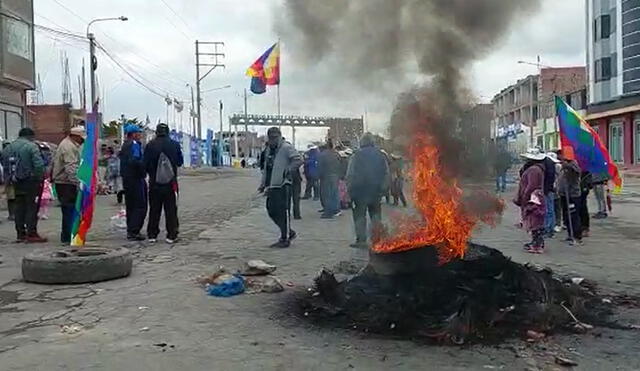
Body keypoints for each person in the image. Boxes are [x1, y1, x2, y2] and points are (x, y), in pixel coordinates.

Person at [258, 127, 302, 248]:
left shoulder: (286, 147)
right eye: (270, 137)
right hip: (272, 185)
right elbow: (266, 168)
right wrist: (263, 184)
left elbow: (298, 160)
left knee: (283, 211)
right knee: (271, 210)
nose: (272, 140)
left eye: (275, 137)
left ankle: (284, 238)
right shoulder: (268, 150)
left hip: (283, 184)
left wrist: (288, 170)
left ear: (279, 136)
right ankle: (288, 231)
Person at [2, 128, 47, 242]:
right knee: (32, 206)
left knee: (19, 207)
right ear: (30, 136)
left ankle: (20, 233)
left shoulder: (8, 148)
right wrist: (40, 177)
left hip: (15, 181)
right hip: (30, 181)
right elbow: (38, 165)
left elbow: (4, 164)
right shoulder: (32, 146)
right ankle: (31, 233)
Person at [346, 133, 390, 248]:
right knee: (375, 215)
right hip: (376, 190)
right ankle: (378, 239)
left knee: (360, 215)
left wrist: (349, 190)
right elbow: (386, 173)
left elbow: (350, 174)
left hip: (359, 190)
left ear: (362, 142)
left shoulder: (356, 155)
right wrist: (383, 188)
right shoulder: (381, 155)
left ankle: (361, 240)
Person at [144, 123, 184, 244]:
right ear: (167, 132)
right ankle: (171, 234)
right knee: (171, 209)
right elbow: (179, 162)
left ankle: (152, 234)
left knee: (154, 209)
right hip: (171, 183)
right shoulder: (174, 145)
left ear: (156, 132)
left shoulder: (150, 145)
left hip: (154, 183)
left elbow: (144, 164)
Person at [52, 126, 85, 244]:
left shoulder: (69, 145)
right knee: (69, 209)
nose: (82, 141)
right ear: (75, 136)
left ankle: (69, 235)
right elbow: (70, 168)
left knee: (70, 210)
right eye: (81, 139)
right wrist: (79, 182)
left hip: (65, 182)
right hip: (65, 183)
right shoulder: (68, 147)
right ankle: (68, 237)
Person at [513, 149, 546, 254]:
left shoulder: (533, 170)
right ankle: (536, 243)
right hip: (536, 197)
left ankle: (537, 245)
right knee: (536, 221)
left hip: (533, 199)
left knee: (534, 222)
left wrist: (524, 198)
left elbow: (531, 186)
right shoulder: (537, 169)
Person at [120, 123, 147, 241]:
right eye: (139, 133)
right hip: (136, 178)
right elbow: (135, 161)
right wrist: (144, 167)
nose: (140, 135)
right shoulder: (134, 145)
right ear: (134, 134)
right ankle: (134, 231)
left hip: (126, 178)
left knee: (130, 205)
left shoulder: (124, 145)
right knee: (140, 205)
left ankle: (130, 229)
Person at [557, 150, 582, 245]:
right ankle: (569, 234)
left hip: (572, 195)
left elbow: (577, 171)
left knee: (574, 216)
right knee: (566, 216)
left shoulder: (573, 163)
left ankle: (577, 237)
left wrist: (568, 165)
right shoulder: (563, 166)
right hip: (564, 195)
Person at [317, 139, 342, 219]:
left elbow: (320, 167)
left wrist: (318, 176)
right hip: (335, 176)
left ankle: (328, 212)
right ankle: (336, 209)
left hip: (326, 177)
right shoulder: (336, 154)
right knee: (335, 193)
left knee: (327, 195)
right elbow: (341, 163)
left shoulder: (322, 155)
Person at [543, 152, 560, 237]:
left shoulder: (552, 166)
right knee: (551, 209)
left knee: (549, 210)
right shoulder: (553, 165)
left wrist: (545, 189)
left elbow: (550, 179)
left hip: (549, 190)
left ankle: (549, 228)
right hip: (551, 190)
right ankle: (550, 227)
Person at [579, 170, 592, 237]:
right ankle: (580, 227)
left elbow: (588, 176)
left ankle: (585, 228)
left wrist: (587, 185)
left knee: (583, 208)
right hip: (577, 188)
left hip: (583, 188)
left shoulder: (585, 167)